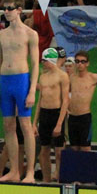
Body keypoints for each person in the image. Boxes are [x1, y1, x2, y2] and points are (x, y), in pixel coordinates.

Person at [0, 0, 39, 183]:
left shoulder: (30, 34)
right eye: (4, 8)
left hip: (21, 81)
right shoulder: (2, 34)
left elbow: (35, 64)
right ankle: (14, 171)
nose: (6, 12)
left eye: (10, 8)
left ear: (19, 10)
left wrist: (32, 90)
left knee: (25, 125)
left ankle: (30, 172)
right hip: (5, 81)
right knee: (8, 126)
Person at [35, 48, 69, 183]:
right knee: (44, 151)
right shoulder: (42, 77)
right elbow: (39, 101)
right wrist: (34, 123)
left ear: (50, 60)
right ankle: (46, 180)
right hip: (44, 114)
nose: (42, 63)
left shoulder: (62, 76)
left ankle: (60, 179)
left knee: (59, 152)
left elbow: (65, 101)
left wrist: (59, 124)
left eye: (44, 60)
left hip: (56, 114)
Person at [66, 50, 97, 152]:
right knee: (74, 148)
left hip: (84, 118)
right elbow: (64, 94)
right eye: (77, 61)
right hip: (72, 117)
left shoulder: (93, 77)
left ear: (87, 63)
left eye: (83, 61)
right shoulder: (71, 77)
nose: (80, 64)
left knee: (85, 148)